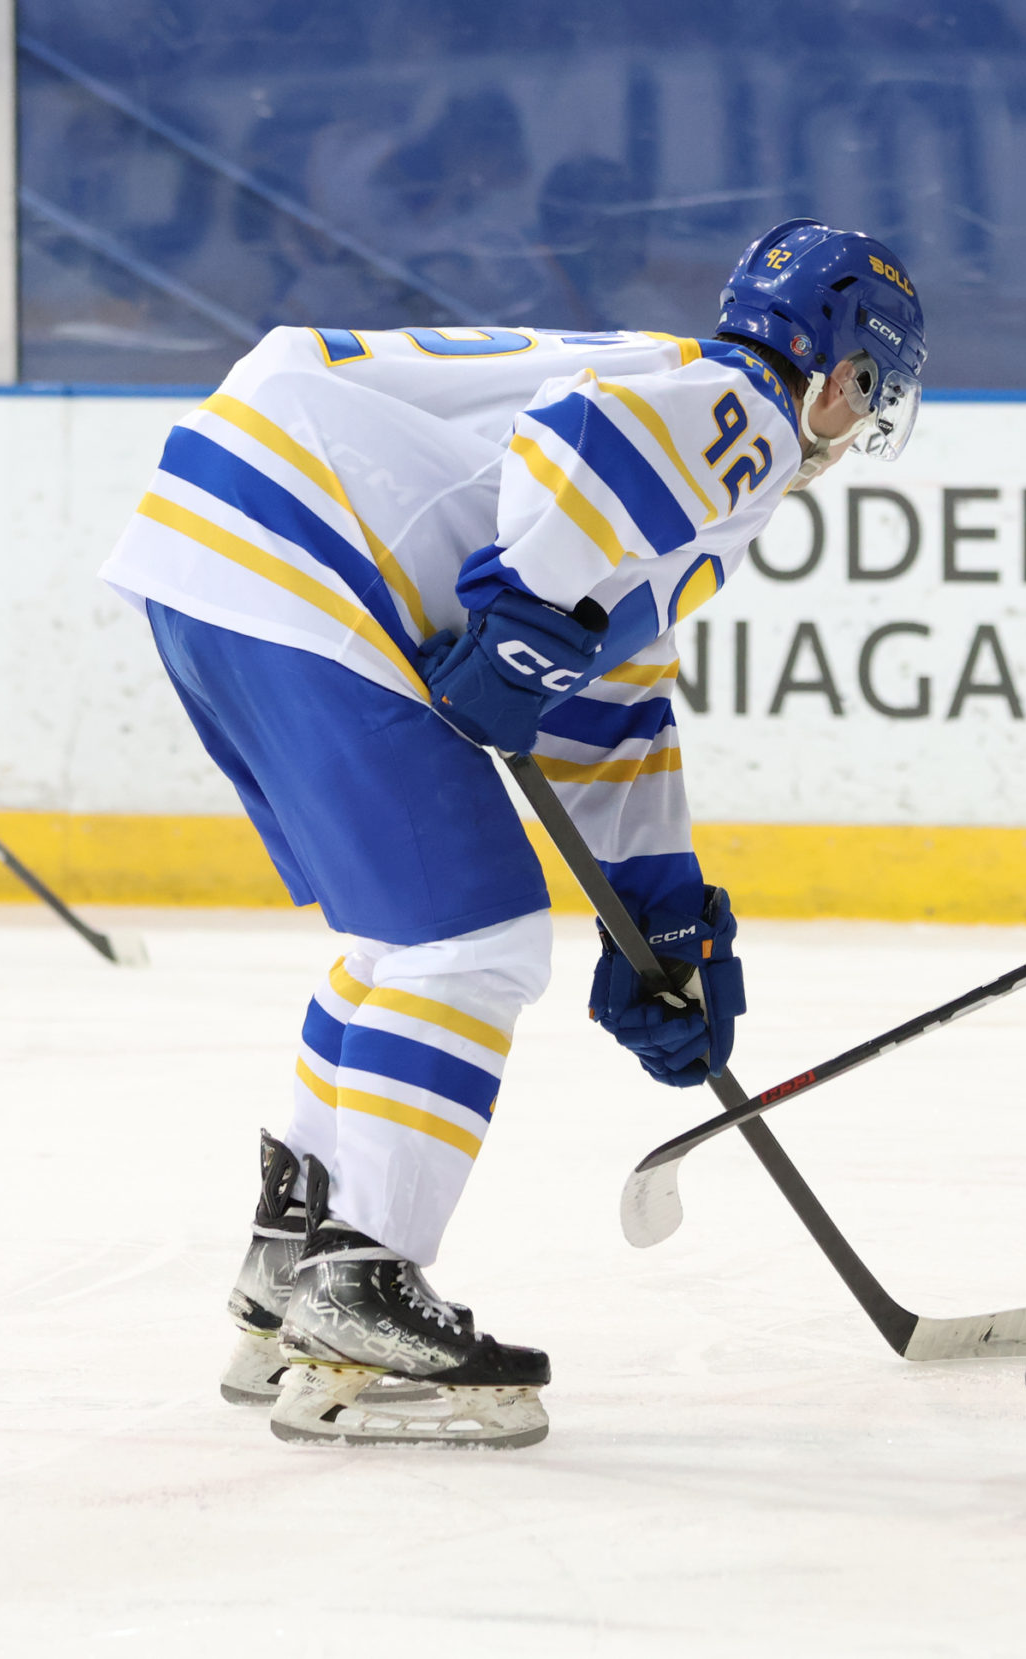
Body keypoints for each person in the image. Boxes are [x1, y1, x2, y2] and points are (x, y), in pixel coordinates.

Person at [99, 219, 926, 1446]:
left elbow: (609, 696)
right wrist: (526, 615)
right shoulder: (744, 413)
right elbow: (577, 445)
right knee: (471, 941)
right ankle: (360, 1285)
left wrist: (660, 913)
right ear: (841, 377)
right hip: (305, 551)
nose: (855, 433)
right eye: (869, 398)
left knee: (403, 944)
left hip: (229, 543)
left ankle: (294, 1262)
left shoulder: (687, 446)